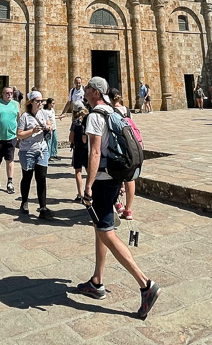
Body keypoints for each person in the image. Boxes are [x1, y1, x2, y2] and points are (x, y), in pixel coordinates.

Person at [77, 78, 160, 319]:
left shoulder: (94, 115)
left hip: (102, 180)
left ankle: (145, 284)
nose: (85, 93)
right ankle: (97, 281)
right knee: (100, 228)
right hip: (115, 177)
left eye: (87, 90)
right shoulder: (114, 111)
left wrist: (88, 185)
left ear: (95, 92)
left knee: (106, 232)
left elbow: (94, 152)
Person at [17, 91, 54, 219]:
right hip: (27, 151)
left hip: (42, 150)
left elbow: (49, 123)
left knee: (41, 177)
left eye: (41, 101)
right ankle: (24, 202)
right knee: (27, 177)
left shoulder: (43, 113)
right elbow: (19, 134)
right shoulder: (25, 117)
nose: (40, 103)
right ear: (31, 102)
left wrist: (48, 127)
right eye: (37, 101)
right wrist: (32, 131)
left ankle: (43, 207)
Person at [110, 90, 136, 221]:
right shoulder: (127, 109)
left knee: (115, 175)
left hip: (119, 147)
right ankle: (128, 209)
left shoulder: (112, 112)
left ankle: (117, 203)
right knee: (130, 177)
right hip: (132, 146)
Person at [0, 85, 19, 194]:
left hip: (11, 137)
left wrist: (20, 133)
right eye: (7, 93)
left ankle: (10, 182)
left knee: (10, 159)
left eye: (11, 93)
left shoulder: (16, 104)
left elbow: (20, 119)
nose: (9, 94)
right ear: (3, 94)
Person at [69, 105, 89, 202]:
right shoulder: (89, 122)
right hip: (88, 149)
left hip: (78, 149)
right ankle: (90, 192)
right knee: (90, 171)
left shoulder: (75, 123)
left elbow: (70, 139)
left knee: (78, 172)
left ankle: (80, 194)